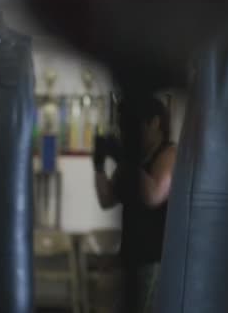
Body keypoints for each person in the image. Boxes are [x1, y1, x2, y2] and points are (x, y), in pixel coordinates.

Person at [93, 96, 177, 313]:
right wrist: (99, 166)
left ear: (155, 123)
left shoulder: (169, 154)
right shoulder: (133, 159)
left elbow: (154, 195)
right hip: (130, 262)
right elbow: (107, 199)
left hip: (156, 263)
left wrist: (124, 158)